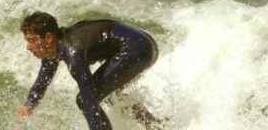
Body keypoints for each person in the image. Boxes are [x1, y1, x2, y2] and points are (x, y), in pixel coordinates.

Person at [16, 12, 161, 130]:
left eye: (32, 40)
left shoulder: (73, 52)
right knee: (111, 96)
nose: (28, 46)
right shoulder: (55, 49)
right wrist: (29, 106)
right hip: (144, 43)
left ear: (48, 38)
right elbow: (43, 80)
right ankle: (155, 126)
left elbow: (89, 99)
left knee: (83, 100)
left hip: (137, 49)